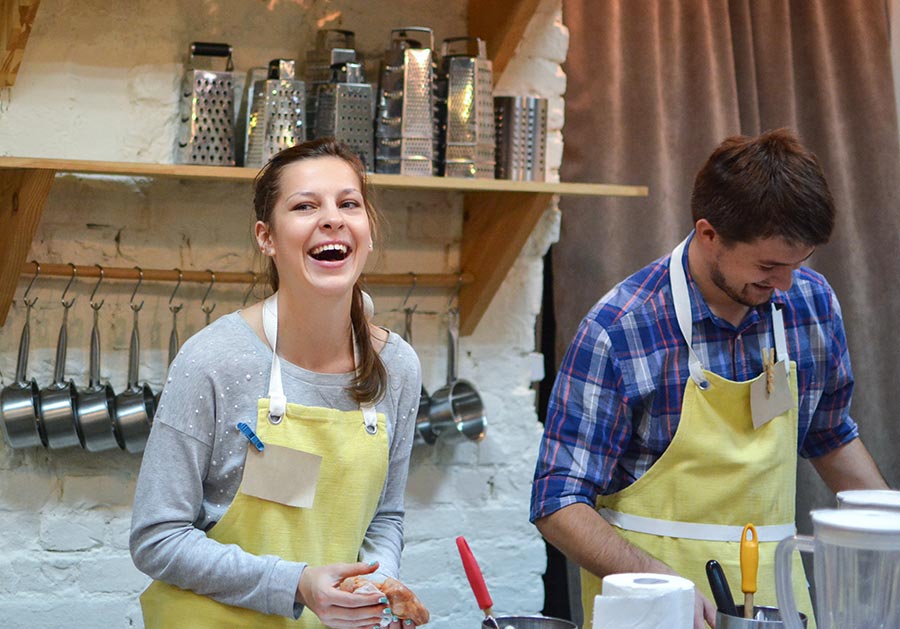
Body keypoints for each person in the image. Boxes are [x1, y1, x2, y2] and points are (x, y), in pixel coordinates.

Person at [530, 129, 889, 629]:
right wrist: (657, 581)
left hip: (779, 605)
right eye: (768, 265)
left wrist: (891, 530)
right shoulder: (621, 330)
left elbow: (830, 436)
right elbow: (558, 502)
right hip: (656, 610)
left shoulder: (810, 303)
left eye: (797, 264)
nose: (785, 284)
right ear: (708, 234)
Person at [131, 138, 424, 628]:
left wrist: (376, 587)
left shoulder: (396, 366)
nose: (331, 218)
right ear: (266, 237)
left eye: (348, 204)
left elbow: (384, 519)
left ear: (368, 231)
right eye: (305, 206)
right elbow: (157, 537)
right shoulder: (214, 360)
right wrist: (296, 584)